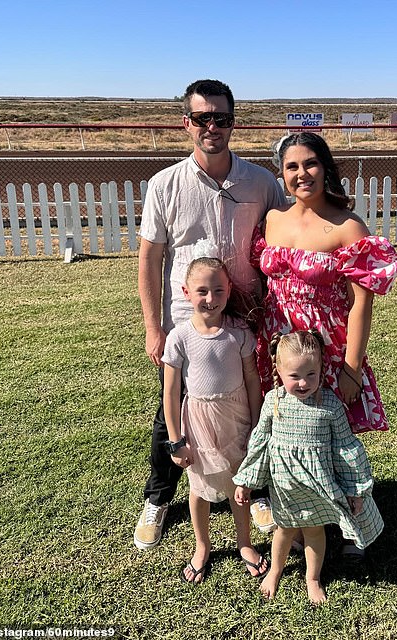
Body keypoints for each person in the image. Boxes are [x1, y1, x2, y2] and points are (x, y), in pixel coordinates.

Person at [134, 78, 287, 550]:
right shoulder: (166, 184)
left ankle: (254, 488)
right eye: (202, 118)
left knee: (249, 403)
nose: (212, 126)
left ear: (232, 123)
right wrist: (153, 326)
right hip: (186, 319)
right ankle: (159, 499)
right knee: (174, 408)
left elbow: (289, 229)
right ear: (187, 124)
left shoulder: (261, 182)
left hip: (245, 316)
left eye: (221, 118)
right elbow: (149, 259)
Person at [251, 131, 397, 559]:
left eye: (310, 164)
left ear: (326, 167)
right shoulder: (273, 219)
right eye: (292, 166)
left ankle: (357, 526)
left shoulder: (348, 226)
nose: (302, 174)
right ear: (282, 174)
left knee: (337, 441)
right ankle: (298, 520)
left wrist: (352, 368)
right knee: (290, 435)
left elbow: (360, 305)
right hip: (279, 347)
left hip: (328, 351)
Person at [234, 330, 383, 604]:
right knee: (284, 530)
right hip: (285, 486)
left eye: (311, 375)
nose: (303, 383)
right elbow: (259, 442)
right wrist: (245, 480)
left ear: (321, 369)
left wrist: (356, 488)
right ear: (278, 370)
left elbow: (346, 448)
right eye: (295, 376)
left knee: (315, 531)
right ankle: (276, 571)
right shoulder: (274, 401)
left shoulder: (330, 405)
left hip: (318, 485)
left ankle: (312, 578)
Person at [161, 246, 268, 583]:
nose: (210, 297)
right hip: (198, 420)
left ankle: (245, 543)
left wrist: (254, 423)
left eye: (218, 290)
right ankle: (202, 546)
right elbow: (170, 392)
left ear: (229, 291)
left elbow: (252, 380)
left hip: (235, 416)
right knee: (199, 486)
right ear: (186, 292)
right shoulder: (179, 337)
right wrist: (176, 442)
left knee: (240, 482)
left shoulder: (239, 333)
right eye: (202, 291)